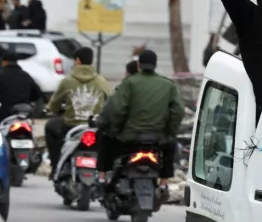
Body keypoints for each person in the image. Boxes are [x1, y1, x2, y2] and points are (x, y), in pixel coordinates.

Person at [98, 50, 183, 184]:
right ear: (155, 64)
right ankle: (164, 182)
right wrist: (169, 132)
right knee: (170, 147)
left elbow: (117, 109)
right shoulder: (168, 85)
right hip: (158, 138)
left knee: (105, 140)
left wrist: (115, 129)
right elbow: (178, 111)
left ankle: (102, 178)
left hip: (129, 137)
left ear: (139, 64)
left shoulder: (129, 83)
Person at [45, 47, 112, 177]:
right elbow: (110, 103)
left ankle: (55, 166)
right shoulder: (102, 81)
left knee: (50, 127)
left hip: (71, 127)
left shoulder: (67, 81)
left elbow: (53, 105)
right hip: (94, 127)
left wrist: (52, 109)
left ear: (77, 61)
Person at [0, 50, 43, 121]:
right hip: (25, 109)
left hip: (6, 111)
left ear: (4, 62)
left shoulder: (2, 75)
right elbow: (36, 93)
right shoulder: (25, 75)